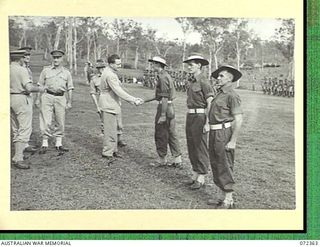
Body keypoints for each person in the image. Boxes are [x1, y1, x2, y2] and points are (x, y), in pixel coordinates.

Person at [208, 65, 243, 209]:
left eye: (221, 76)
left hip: (223, 133)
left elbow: (239, 119)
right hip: (214, 132)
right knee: (216, 163)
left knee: (224, 164)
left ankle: (229, 199)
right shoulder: (219, 93)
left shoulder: (232, 95)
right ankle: (222, 196)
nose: (218, 78)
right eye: (218, 76)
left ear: (230, 78)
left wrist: (233, 140)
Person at [99, 54, 143, 163]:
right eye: (117, 64)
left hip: (112, 104)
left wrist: (133, 98)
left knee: (114, 129)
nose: (120, 66)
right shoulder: (110, 75)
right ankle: (107, 152)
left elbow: (119, 90)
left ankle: (113, 150)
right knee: (110, 130)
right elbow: (118, 91)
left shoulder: (110, 73)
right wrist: (133, 100)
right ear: (110, 64)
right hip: (108, 105)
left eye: (120, 63)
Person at [183, 53, 214, 190]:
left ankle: (201, 176)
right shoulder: (191, 81)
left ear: (199, 65)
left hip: (200, 117)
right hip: (190, 116)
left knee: (200, 146)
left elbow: (210, 103)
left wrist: (208, 123)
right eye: (187, 64)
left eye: (192, 64)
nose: (189, 67)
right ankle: (195, 173)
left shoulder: (204, 81)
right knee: (191, 145)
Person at [10, 50, 45, 169]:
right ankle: (18, 157)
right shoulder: (21, 70)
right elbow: (29, 87)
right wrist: (41, 89)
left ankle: (17, 153)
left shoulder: (7, 68)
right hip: (21, 98)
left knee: (15, 127)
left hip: (9, 98)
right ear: (20, 58)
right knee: (24, 128)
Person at [145, 56, 182, 168]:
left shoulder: (163, 77)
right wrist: (144, 100)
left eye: (153, 64)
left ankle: (162, 160)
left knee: (161, 133)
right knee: (171, 134)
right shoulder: (165, 76)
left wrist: (162, 115)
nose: (152, 66)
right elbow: (159, 96)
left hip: (165, 108)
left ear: (158, 65)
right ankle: (177, 160)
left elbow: (164, 98)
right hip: (169, 107)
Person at [36, 50, 74, 154]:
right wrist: (37, 99)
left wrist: (69, 102)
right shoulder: (46, 70)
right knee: (46, 120)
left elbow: (70, 88)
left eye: (58, 58)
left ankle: (58, 143)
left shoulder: (66, 72)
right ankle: (44, 143)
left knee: (60, 120)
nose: (56, 60)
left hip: (60, 98)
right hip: (47, 96)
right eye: (54, 58)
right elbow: (40, 85)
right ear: (52, 58)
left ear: (62, 59)